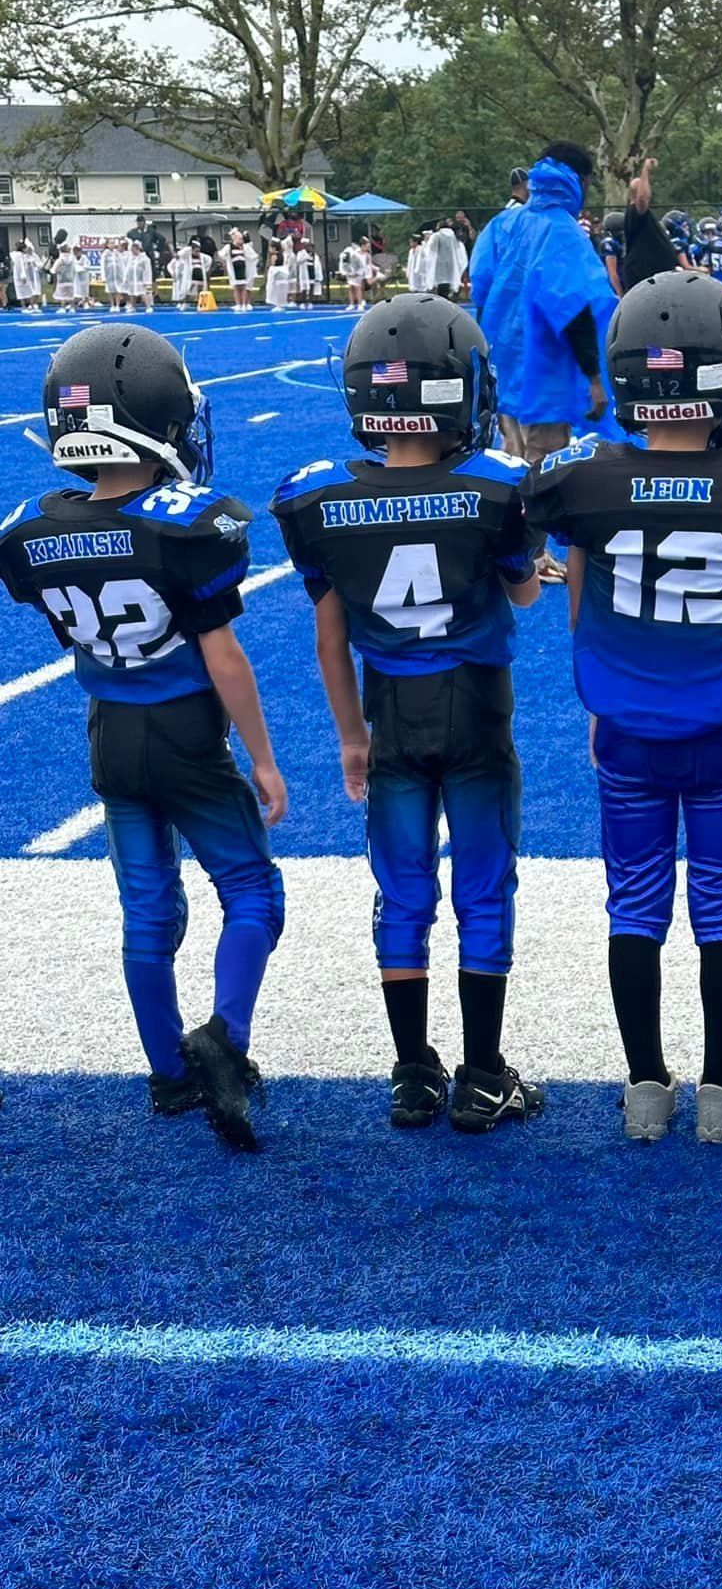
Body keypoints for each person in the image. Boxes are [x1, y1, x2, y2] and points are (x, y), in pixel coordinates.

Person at [524, 272, 722, 1143]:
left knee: (634, 905)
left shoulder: (579, 477)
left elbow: (579, 600)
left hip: (623, 725)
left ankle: (646, 1091)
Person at [0, 325, 286, 1147]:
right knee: (252, 890)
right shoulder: (188, 524)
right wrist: (263, 758)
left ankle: (168, 1076)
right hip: (186, 735)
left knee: (148, 914)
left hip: (110, 738)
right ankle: (225, 1038)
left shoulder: (32, 528)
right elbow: (223, 658)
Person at [270, 294, 544, 1133]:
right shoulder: (495, 486)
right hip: (476, 712)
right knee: (483, 890)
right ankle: (484, 1074)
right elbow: (524, 594)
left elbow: (329, 641)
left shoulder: (317, 498)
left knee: (402, 893)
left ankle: (413, 1074)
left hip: (388, 713)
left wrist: (351, 736)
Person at [468, 140, 618, 473]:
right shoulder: (565, 234)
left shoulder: (502, 224)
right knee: (544, 465)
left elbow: (480, 287)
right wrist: (594, 379)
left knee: (511, 456)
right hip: (547, 375)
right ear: (578, 181)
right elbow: (574, 309)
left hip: (503, 365)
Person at [621, 156, 687, 289]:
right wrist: (645, 169)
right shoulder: (636, 212)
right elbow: (642, 199)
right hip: (645, 276)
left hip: (657, 276)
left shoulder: (643, 216)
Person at [428, 217, 466, 299]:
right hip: (451, 264)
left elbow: (431, 248)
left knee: (441, 284)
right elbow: (458, 248)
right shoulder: (453, 236)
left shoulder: (437, 236)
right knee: (448, 283)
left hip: (439, 264)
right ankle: (448, 296)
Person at [218, 228, 255, 311]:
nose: (241, 241)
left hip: (243, 270)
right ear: (234, 239)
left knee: (244, 287)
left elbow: (252, 256)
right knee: (236, 287)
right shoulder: (228, 247)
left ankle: (244, 304)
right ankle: (238, 304)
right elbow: (221, 255)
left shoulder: (245, 247)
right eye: (239, 239)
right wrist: (224, 262)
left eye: (241, 239)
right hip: (234, 270)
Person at [13, 239, 44, 310]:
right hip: (24, 276)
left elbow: (39, 264)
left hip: (32, 276)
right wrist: (23, 275)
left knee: (34, 291)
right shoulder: (19, 256)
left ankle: (32, 304)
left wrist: (35, 264)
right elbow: (21, 266)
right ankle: (27, 306)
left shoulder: (33, 255)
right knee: (23, 292)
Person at [600, 210, 625, 297]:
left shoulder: (620, 242)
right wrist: (620, 293)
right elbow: (612, 272)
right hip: (613, 288)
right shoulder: (609, 243)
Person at [338, 237, 368, 311]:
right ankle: (351, 304)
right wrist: (345, 273)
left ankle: (360, 304)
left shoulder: (360, 253)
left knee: (358, 288)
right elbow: (344, 262)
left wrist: (357, 273)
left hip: (358, 272)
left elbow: (361, 264)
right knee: (351, 288)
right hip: (350, 273)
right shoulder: (347, 252)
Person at [264, 240, 292, 310]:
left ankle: (278, 305)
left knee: (275, 291)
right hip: (283, 274)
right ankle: (281, 305)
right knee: (281, 291)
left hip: (277, 274)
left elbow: (273, 264)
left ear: (274, 248)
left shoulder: (274, 255)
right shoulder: (282, 254)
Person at [128, 238, 155, 312]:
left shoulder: (145, 258)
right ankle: (132, 306)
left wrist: (147, 281)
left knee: (145, 293)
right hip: (133, 279)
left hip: (142, 279)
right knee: (132, 293)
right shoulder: (131, 258)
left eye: (133, 249)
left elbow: (147, 270)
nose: (132, 251)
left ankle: (148, 306)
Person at [296, 239, 323, 306]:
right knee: (304, 288)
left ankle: (310, 302)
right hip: (304, 273)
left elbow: (317, 264)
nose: (309, 248)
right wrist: (306, 257)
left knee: (311, 287)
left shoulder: (314, 255)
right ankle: (303, 302)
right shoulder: (300, 253)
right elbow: (298, 261)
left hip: (312, 272)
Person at [52, 244, 77, 311]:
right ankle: (72, 308)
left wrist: (57, 271)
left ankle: (63, 308)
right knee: (71, 294)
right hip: (70, 279)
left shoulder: (60, 260)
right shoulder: (72, 259)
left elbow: (53, 270)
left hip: (62, 280)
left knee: (62, 295)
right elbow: (75, 268)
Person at [186, 240, 211, 306]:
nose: (197, 253)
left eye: (198, 251)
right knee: (189, 290)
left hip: (200, 276)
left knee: (200, 290)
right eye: (196, 251)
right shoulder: (188, 257)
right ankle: (185, 302)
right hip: (191, 276)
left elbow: (209, 259)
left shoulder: (202, 256)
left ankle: (200, 303)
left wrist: (206, 268)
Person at [101, 238, 123, 311]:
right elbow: (103, 265)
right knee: (110, 290)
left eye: (113, 243)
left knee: (118, 290)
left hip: (117, 275)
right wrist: (103, 277)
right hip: (109, 275)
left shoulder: (117, 253)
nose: (112, 245)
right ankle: (112, 305)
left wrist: (122, 275)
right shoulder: (105, 254)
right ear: (107, 245)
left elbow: (121, 264)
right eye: (110, 243)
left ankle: (117, 305)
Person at [72, 243, 95, 311]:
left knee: (85, 291)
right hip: (76, 277)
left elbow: (87, 266)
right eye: (75, 251)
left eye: (78, 250)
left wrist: (80, 268)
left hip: (84, 277)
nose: (76, 252)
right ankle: (73, 305)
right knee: (75, 291)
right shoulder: (72, 258)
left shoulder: (84, 258)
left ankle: (86, 303)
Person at [169, 244, 192, 309]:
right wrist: (173, 273)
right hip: (178, 278)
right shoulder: (175, 260)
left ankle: (185, 303)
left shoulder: (185, 259)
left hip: (185, 278)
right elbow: (169, 266)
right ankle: (179, 303)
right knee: (178, 290)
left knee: (186, 290)